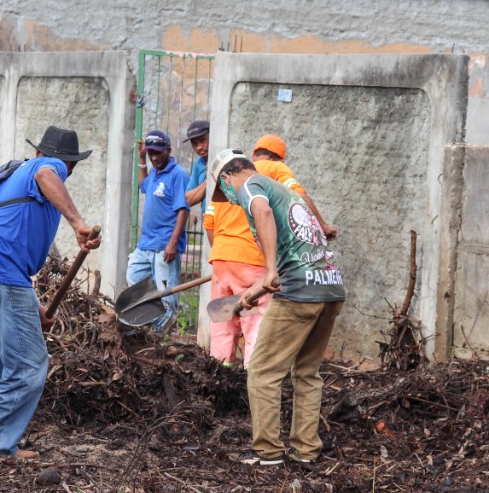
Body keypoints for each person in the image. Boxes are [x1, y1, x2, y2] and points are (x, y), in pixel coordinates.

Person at [0, 126, 100, 460]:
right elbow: (47, 173)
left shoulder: (19, 177)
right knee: (28, 366)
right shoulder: (47, 167)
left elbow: (12, 246)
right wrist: (78, 223)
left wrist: (35, 307)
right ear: (69, 163)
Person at [210, 149, 346, 467]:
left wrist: (270, 270)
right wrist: (255, 291)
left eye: (224, 190)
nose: (228, 197)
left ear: (227, 178)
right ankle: (306, 450)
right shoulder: (285, 192)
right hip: (329, 287)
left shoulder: (251, 186)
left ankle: (267, 451)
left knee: (262, 371)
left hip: (299, 292)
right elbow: (295, 251)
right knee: (307, 372)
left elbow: (262, 211)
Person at [203, 156, 271, 367]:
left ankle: (220, 370)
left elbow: (209, 224)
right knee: (255, 321)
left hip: (221, 259)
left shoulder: (222, 194)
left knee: (223, 318)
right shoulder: (258, 184)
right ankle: (253, 375)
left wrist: (225, 254)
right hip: (251, 261)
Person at [127, 129, 190, 331]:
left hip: (164, 246)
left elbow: (183, 210)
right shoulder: (155, 172)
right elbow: (143, 185)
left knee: (167, 296)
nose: (154, 158)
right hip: (146, 244)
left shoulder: (178, 175)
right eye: (151, 153)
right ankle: (151, 324)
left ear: (168, 150)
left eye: (158, 153)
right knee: (134, 277)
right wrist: (141, 160)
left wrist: (172, 243)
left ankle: (159, 338)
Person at [251, 134, 339, 240]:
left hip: (235, 242)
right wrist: (324, 227)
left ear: (253, 155)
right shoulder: (277, 167)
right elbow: (300, 196)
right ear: (280, 160)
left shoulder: (241, 172)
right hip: (260, 243)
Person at [183, 119, 210, 210]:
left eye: (202, 140)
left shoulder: (226, 158)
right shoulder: (199, 162)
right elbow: (189, 200)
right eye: (194, 143)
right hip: (207, 218)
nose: (199, 147)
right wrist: (209, 180)